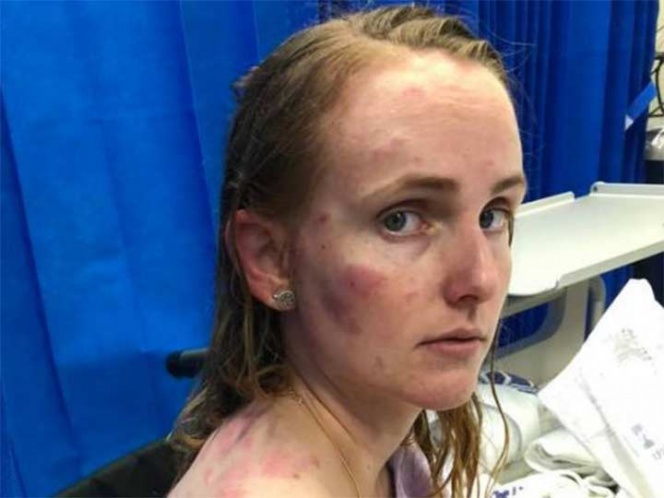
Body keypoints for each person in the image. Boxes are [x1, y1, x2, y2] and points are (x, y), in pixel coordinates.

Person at [169, 5, 526, 498]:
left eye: (492, 215)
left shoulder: (379, 438)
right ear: (271, 258)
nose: (479, 280)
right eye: (401, 220)